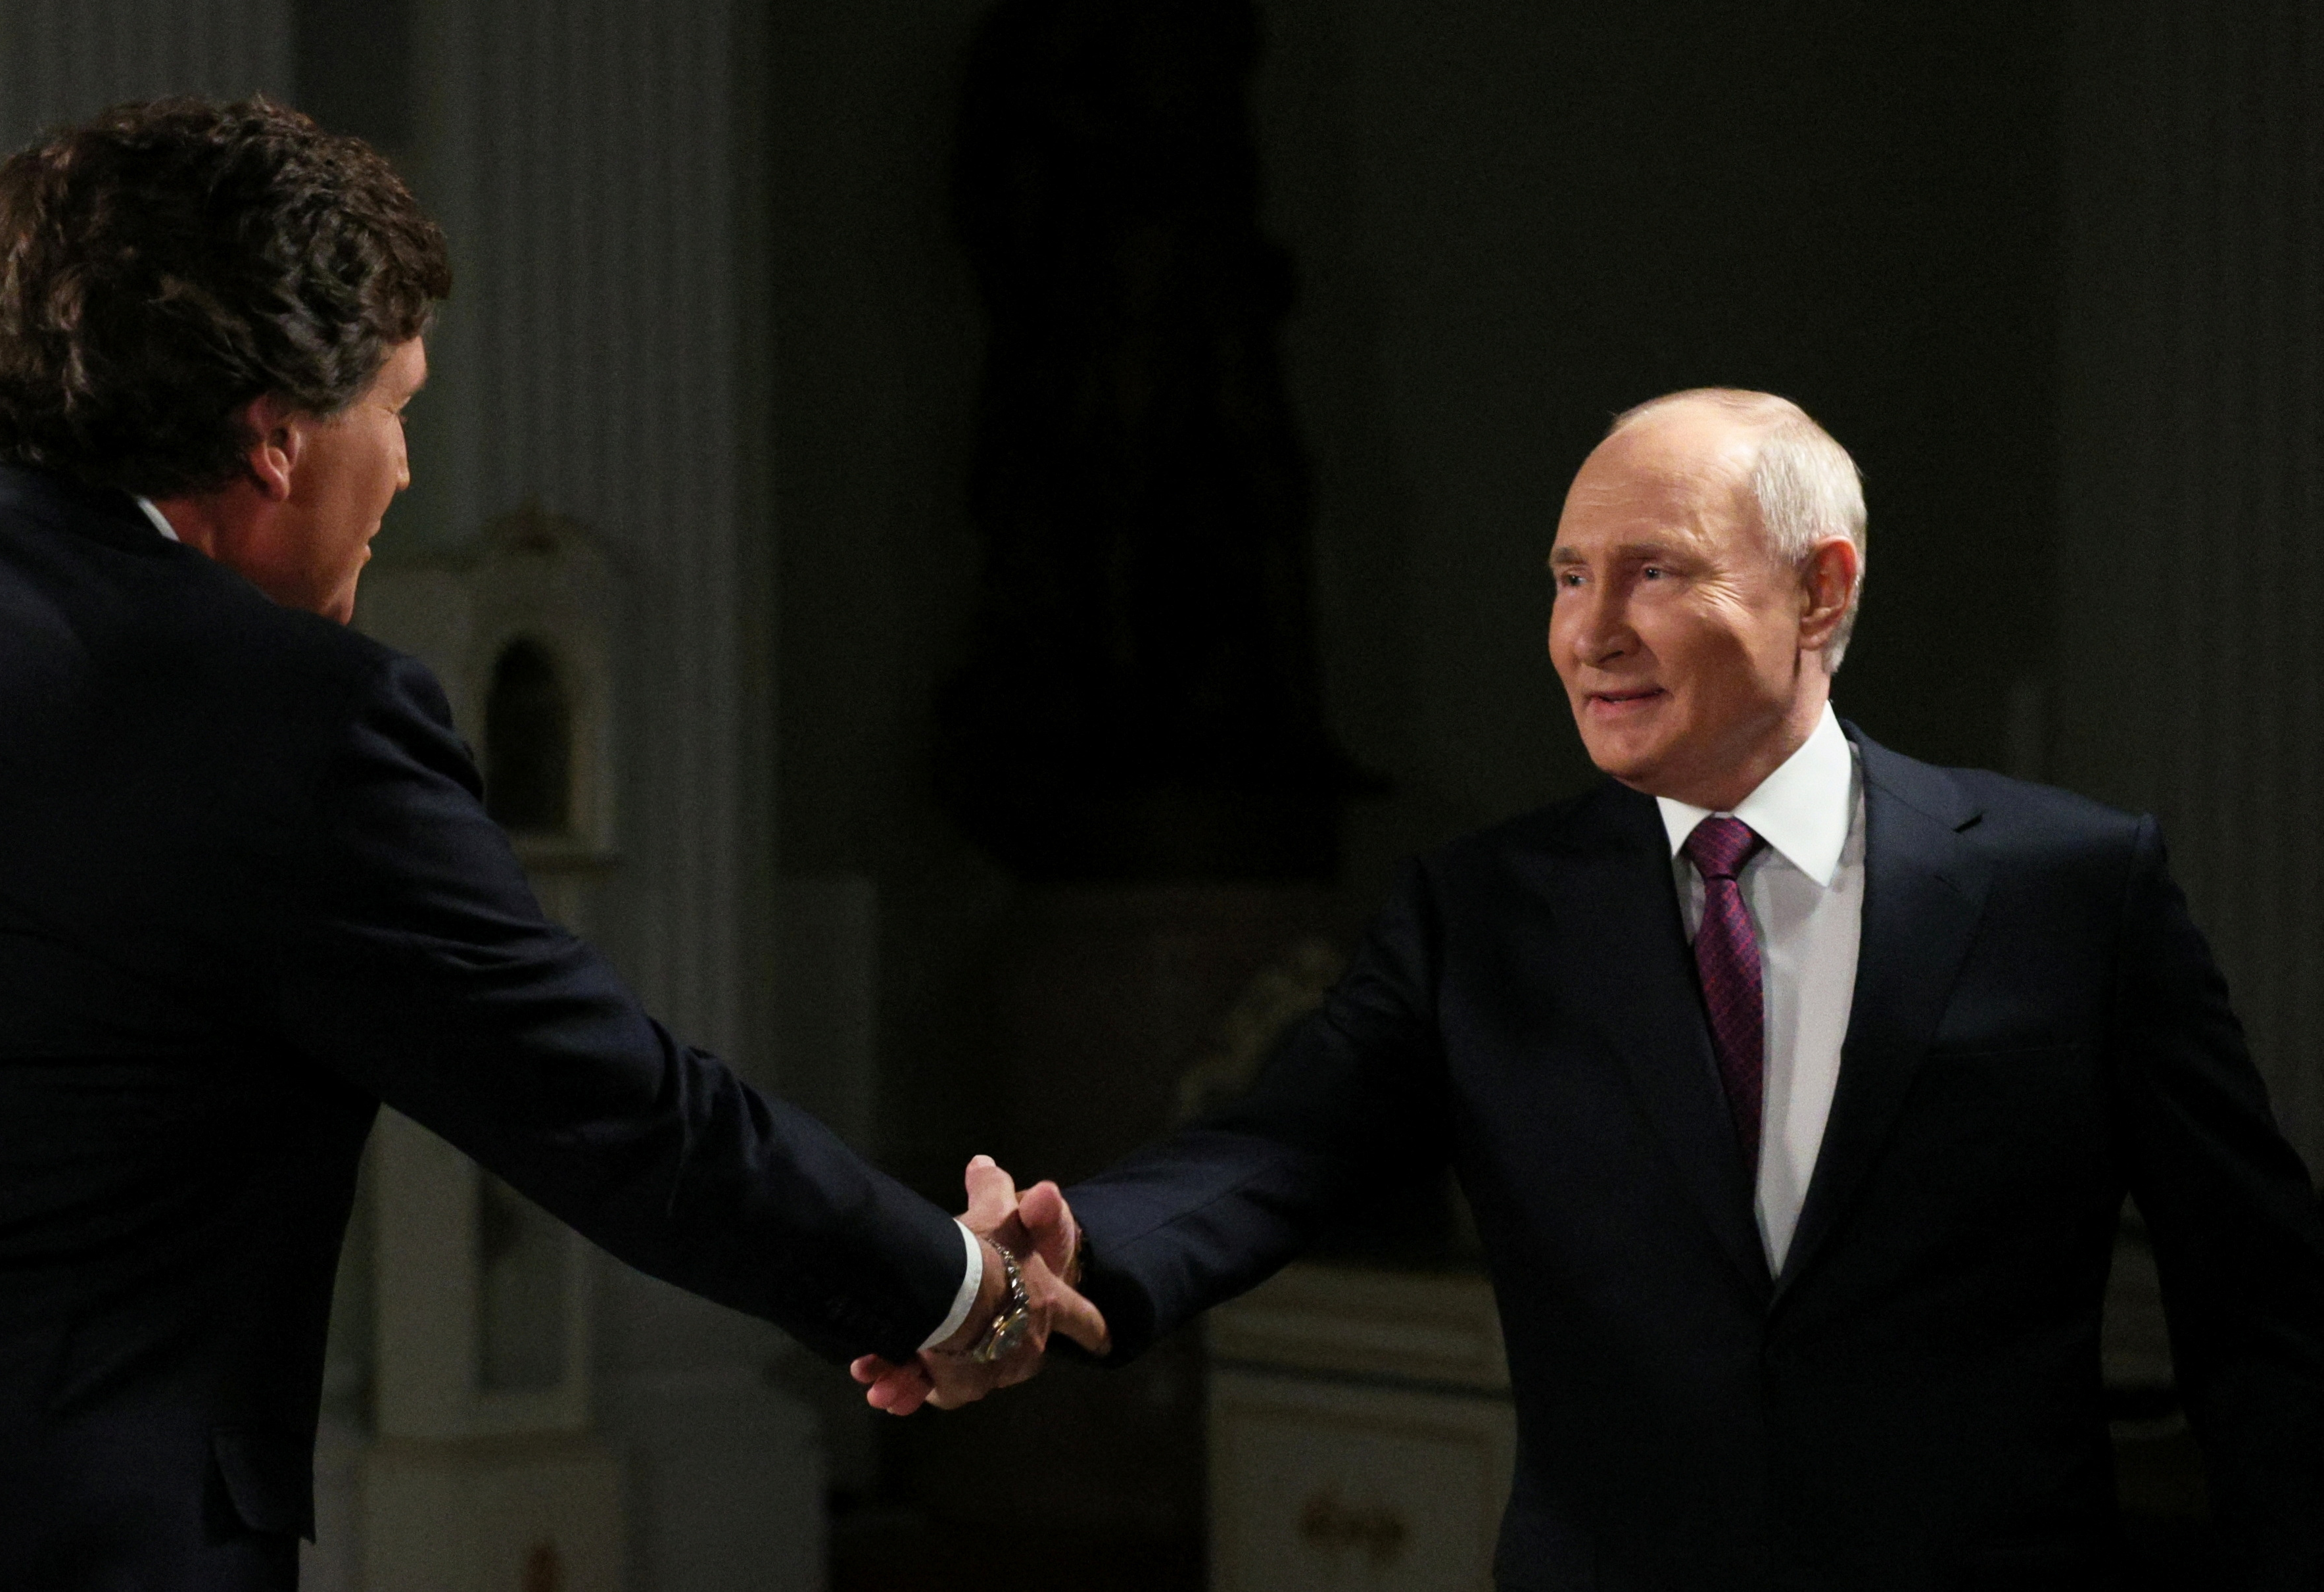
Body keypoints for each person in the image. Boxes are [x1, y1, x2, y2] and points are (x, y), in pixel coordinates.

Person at [0, 96, 1096, 1591]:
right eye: (394, 408)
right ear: (274, 437)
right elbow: (616, 1113)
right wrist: (961, 1292)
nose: (398, 471)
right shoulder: (284, 718)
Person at [859, 389, 2324, 1589]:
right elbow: (1274, 1147)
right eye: (1567, 576)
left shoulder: (2070, 888)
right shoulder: (1483, 913)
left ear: (1820, 588)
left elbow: (2256, 1300)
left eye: (1655, 570)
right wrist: (1078, 1254)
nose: (1589, 631)